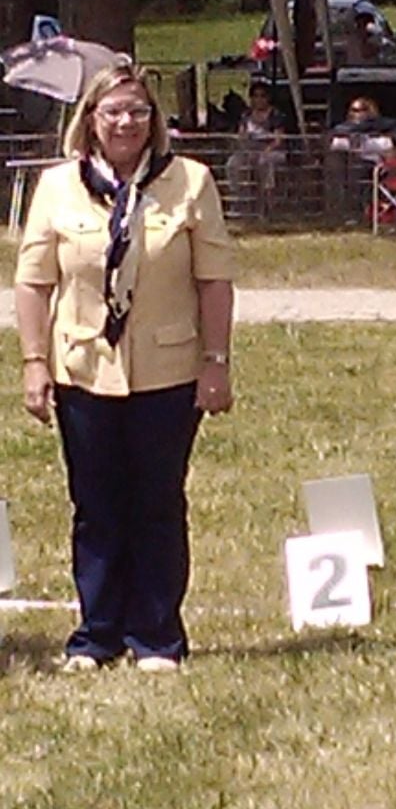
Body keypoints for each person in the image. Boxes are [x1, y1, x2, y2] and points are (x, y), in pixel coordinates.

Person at [14, 61, 235, 673]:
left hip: (168, 371)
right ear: (90, 120)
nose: (126, 123)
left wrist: (216, 363)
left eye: (138, 111)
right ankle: (97, 633)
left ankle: (157, 635)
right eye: (113, 111)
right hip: (82, 368)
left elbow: (215, 281)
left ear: (154, 120)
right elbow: (33, 284)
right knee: (95, 504)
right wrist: (35, 363)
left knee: (158, 501)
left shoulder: (190, 182)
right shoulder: (57, 186)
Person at [225, 80, 288, 215]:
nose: (259, 99)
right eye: (255, 96)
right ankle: (242, 201)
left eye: (262, 96)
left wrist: (265, 151)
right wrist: (244, 149)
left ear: (268, 98)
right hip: (250, 149)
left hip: (271, 150)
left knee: (265, 162)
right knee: (233, 163)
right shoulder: (246, 115)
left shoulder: (276, 115)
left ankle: (268, 204)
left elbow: (278, 140)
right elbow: (241, 136)